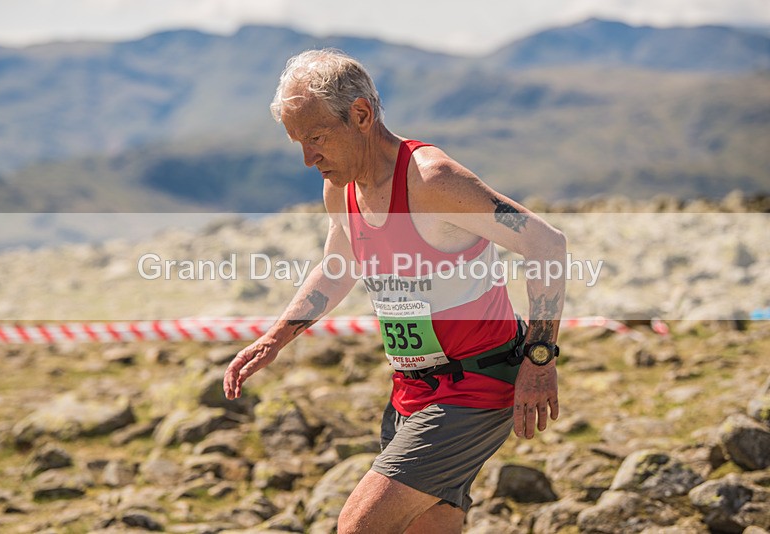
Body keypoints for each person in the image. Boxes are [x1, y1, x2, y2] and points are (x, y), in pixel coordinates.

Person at [224, 49, 566, 534]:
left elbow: (546, 244)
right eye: (299, 143)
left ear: (361, 114)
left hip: (477, 385)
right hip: (411, 391)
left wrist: (539, 357)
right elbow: (339, 266)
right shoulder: (340, 188)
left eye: (317, 138)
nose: (308, 158)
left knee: (360, 526)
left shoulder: (432, 180)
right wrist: (274, 339)